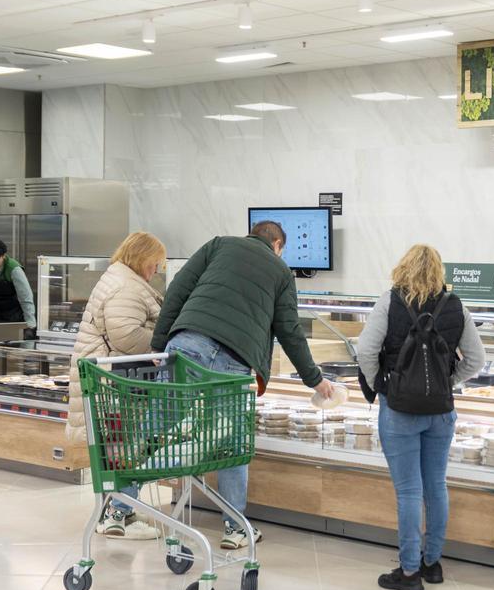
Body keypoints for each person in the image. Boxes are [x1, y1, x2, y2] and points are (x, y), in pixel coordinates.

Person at [152, 220, 335, 550]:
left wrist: (158, 344)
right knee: (231, 439)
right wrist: (315, 380)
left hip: (186, 343)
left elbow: (177, 289)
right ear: (278, 244)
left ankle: (119, 510)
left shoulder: (218, 244)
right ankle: (234, 528)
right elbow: (290, 331)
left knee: (155, 426)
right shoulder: (280, 271)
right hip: (233, 359)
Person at [356, 244, 486, 590]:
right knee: (436, 486)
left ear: (403, 268)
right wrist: (448, 380)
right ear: (440, 271)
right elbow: (477, 359)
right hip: (441, 412)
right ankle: (432, 564)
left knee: (409, 491)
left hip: (400, 410)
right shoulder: (456, 305)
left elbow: (365, 351)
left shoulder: (390, 301)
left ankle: (409, 572)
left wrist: (381, 385)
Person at [66, 232, 168, 540]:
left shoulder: (121, 279)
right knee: (126, 446)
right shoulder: (125, 286)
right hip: (114, 381)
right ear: (142, 258)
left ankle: (120, 508)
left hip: (109, 378)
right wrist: (163, 346)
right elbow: (125, 335)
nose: (157, 270)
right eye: (155, 263)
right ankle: (116, 514)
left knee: (120, 446)